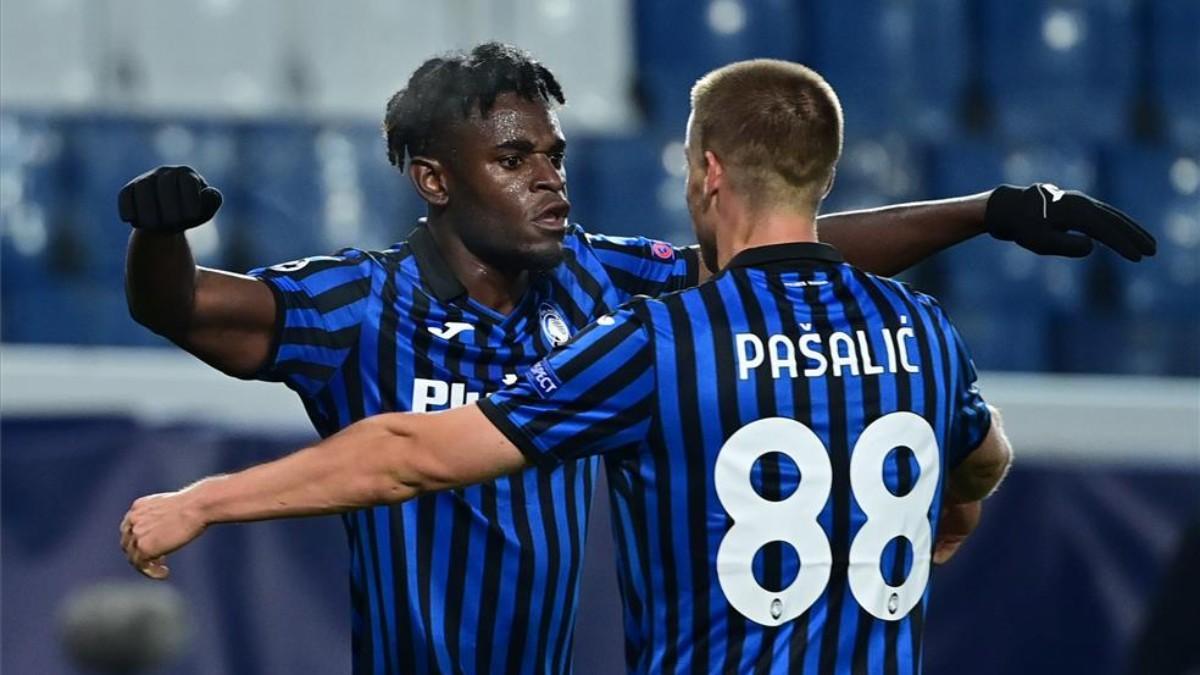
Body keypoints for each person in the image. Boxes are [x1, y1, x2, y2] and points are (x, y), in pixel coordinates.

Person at [117, 44, 1151, 674]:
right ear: (435, 178)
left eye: (556, 157)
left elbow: (784, 262)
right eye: (515, 160)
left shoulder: (611, 288)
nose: (551, 180)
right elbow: (194, 310)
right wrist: (158, 238)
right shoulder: (354, 302)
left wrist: (981, 212)